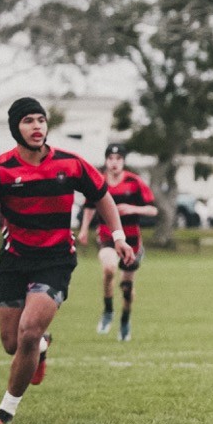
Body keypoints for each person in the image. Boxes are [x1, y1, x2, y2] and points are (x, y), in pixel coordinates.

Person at [0, 97, 134, 424]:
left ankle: (6, 411)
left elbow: (101, 197)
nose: (37, 126)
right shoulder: (1, 168)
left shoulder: (70, 163)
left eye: (41, 119)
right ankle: (40, 347)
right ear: (16, 128)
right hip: (13, 260)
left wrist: (119, 236)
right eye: (28, 120)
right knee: (13, 344)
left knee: (27, 330)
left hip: (55, 259)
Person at [78, 143, 157, 341]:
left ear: (123, 161)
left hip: (132, 241)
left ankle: (125, 320)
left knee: (127, 288)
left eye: (118, 159)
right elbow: (89, 206)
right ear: (106, 161)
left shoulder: (134, 182)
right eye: (111, 159)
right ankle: (108, 310)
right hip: (108, 236)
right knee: (109, 269)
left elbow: (153, 209)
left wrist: (133, 209)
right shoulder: (98, 181)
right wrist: (84, 230)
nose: (114, 163)